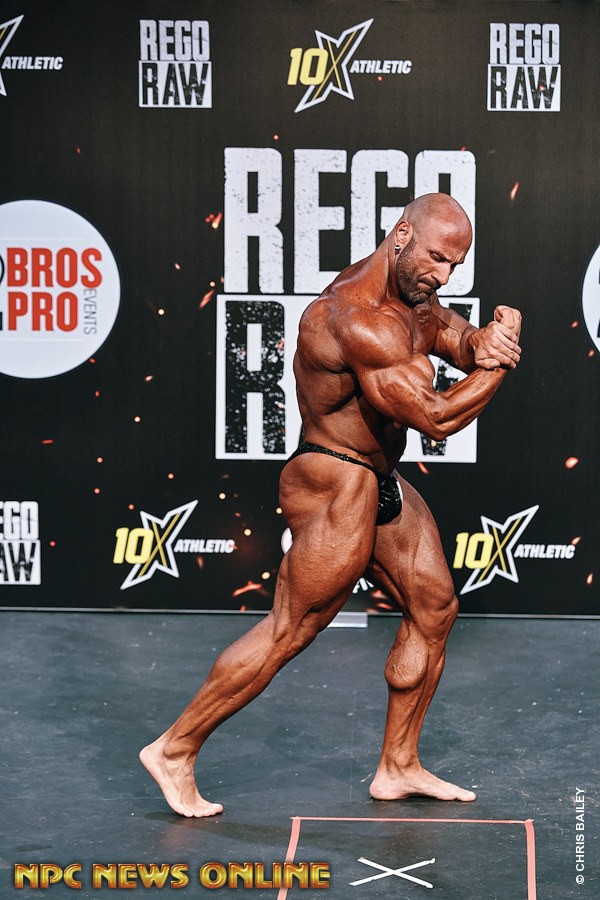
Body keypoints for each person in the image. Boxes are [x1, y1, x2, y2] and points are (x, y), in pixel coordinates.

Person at [140, 192, 522, 817]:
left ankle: (398, 766)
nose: (444, 275)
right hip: (333, 478)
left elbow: (451, 335)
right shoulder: (350, 316)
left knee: (434, 608)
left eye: (455, 264)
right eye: (436, 258)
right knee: (292, 628)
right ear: (401, 234)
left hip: (380, 475)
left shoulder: (412, 298)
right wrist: (499, 365)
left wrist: (486, 339)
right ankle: (173, 750)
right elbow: (436, 418)